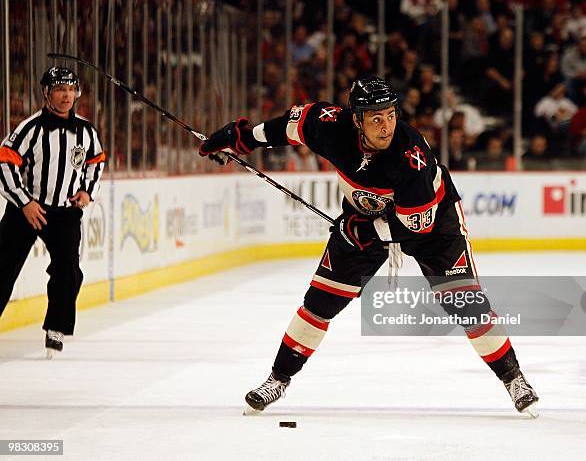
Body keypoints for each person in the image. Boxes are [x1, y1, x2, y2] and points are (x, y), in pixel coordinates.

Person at [198, 76, 538, 416]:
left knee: (466, 305)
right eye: (376, 117)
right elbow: (290, 125)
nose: (386, 125)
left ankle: (514, 379)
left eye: (390, 115)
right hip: (364, 217)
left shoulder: (410, 155)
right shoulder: (329, 125)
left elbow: (417, 225)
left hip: (434, 225)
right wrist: (242, 139)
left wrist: (366, 232)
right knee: (319, 302)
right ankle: (277, 379)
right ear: (356, 118)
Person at [0, 67, 106, 358]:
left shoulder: (86, 131)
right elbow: (5, 161)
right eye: (60, 89)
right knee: (2, 269)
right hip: (27, 209)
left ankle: (56, 327)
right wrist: (23, 201)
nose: (66, 95)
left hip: (64, 213)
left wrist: (87, 192)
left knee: (69, 272)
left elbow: (96, 161)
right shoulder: (30, 128)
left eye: (71, 89)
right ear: (47, 93)